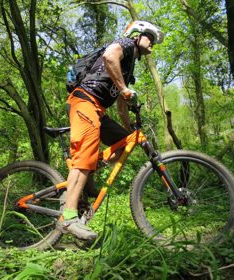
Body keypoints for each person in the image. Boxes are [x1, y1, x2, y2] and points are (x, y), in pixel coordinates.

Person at [57, 21, 164, 240]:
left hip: (98, 109)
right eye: (149, 38)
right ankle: (68, 217)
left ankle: (87, 175)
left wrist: (129, 128)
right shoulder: (124, 44)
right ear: (137, 35)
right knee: (85, 155)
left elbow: (121, 102)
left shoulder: (129, 65)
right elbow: (109, 57)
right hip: (84, 101)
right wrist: (125, 89)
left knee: (125, 142)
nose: (152, 44)